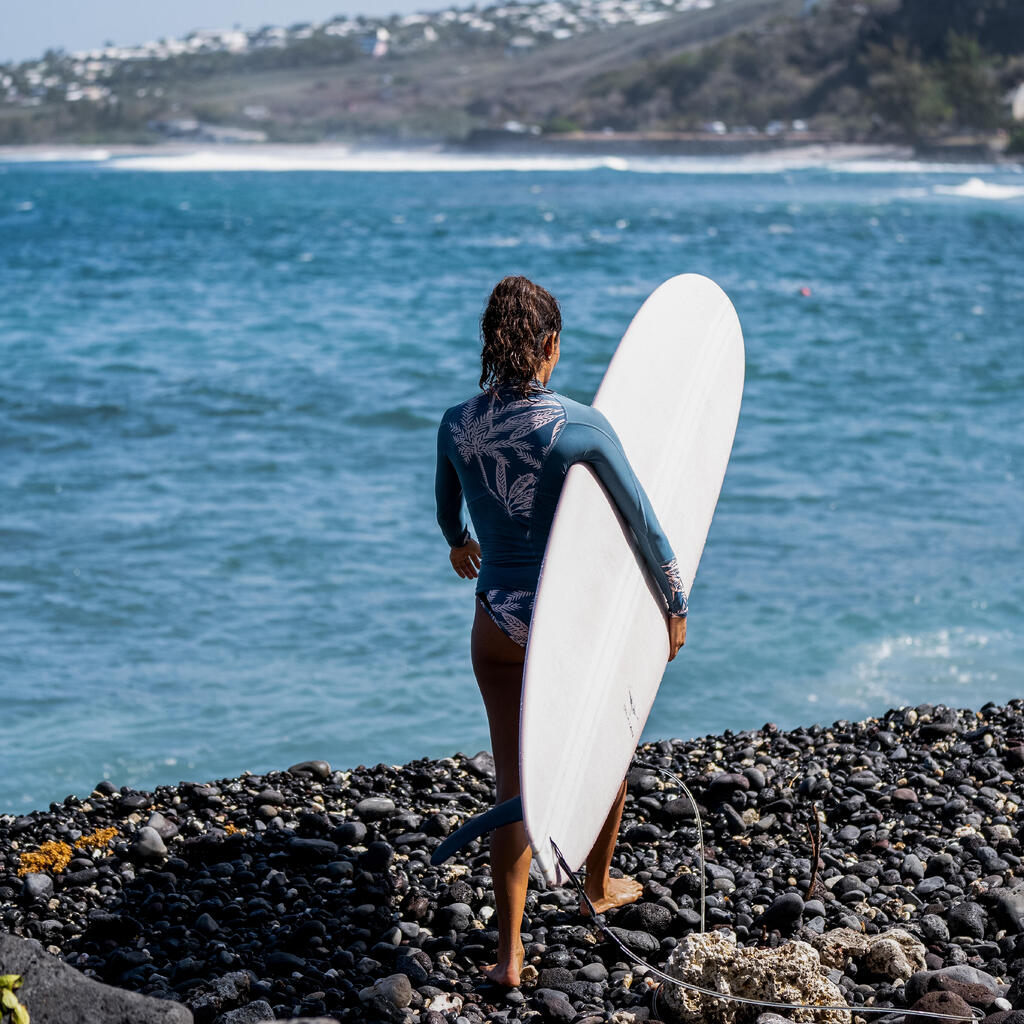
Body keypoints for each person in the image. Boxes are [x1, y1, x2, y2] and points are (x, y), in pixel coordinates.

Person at [435, 275, 688, 987]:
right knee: (606, 750)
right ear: (549, 346)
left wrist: (459, 545)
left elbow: (445, 509)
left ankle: (509, 956)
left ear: (491, 346)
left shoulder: (457, 423)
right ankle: (597, 887)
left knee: (513, 781)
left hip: (495, 628)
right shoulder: (578, 425)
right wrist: (674, 601)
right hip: (562, 628)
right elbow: (643, 519)